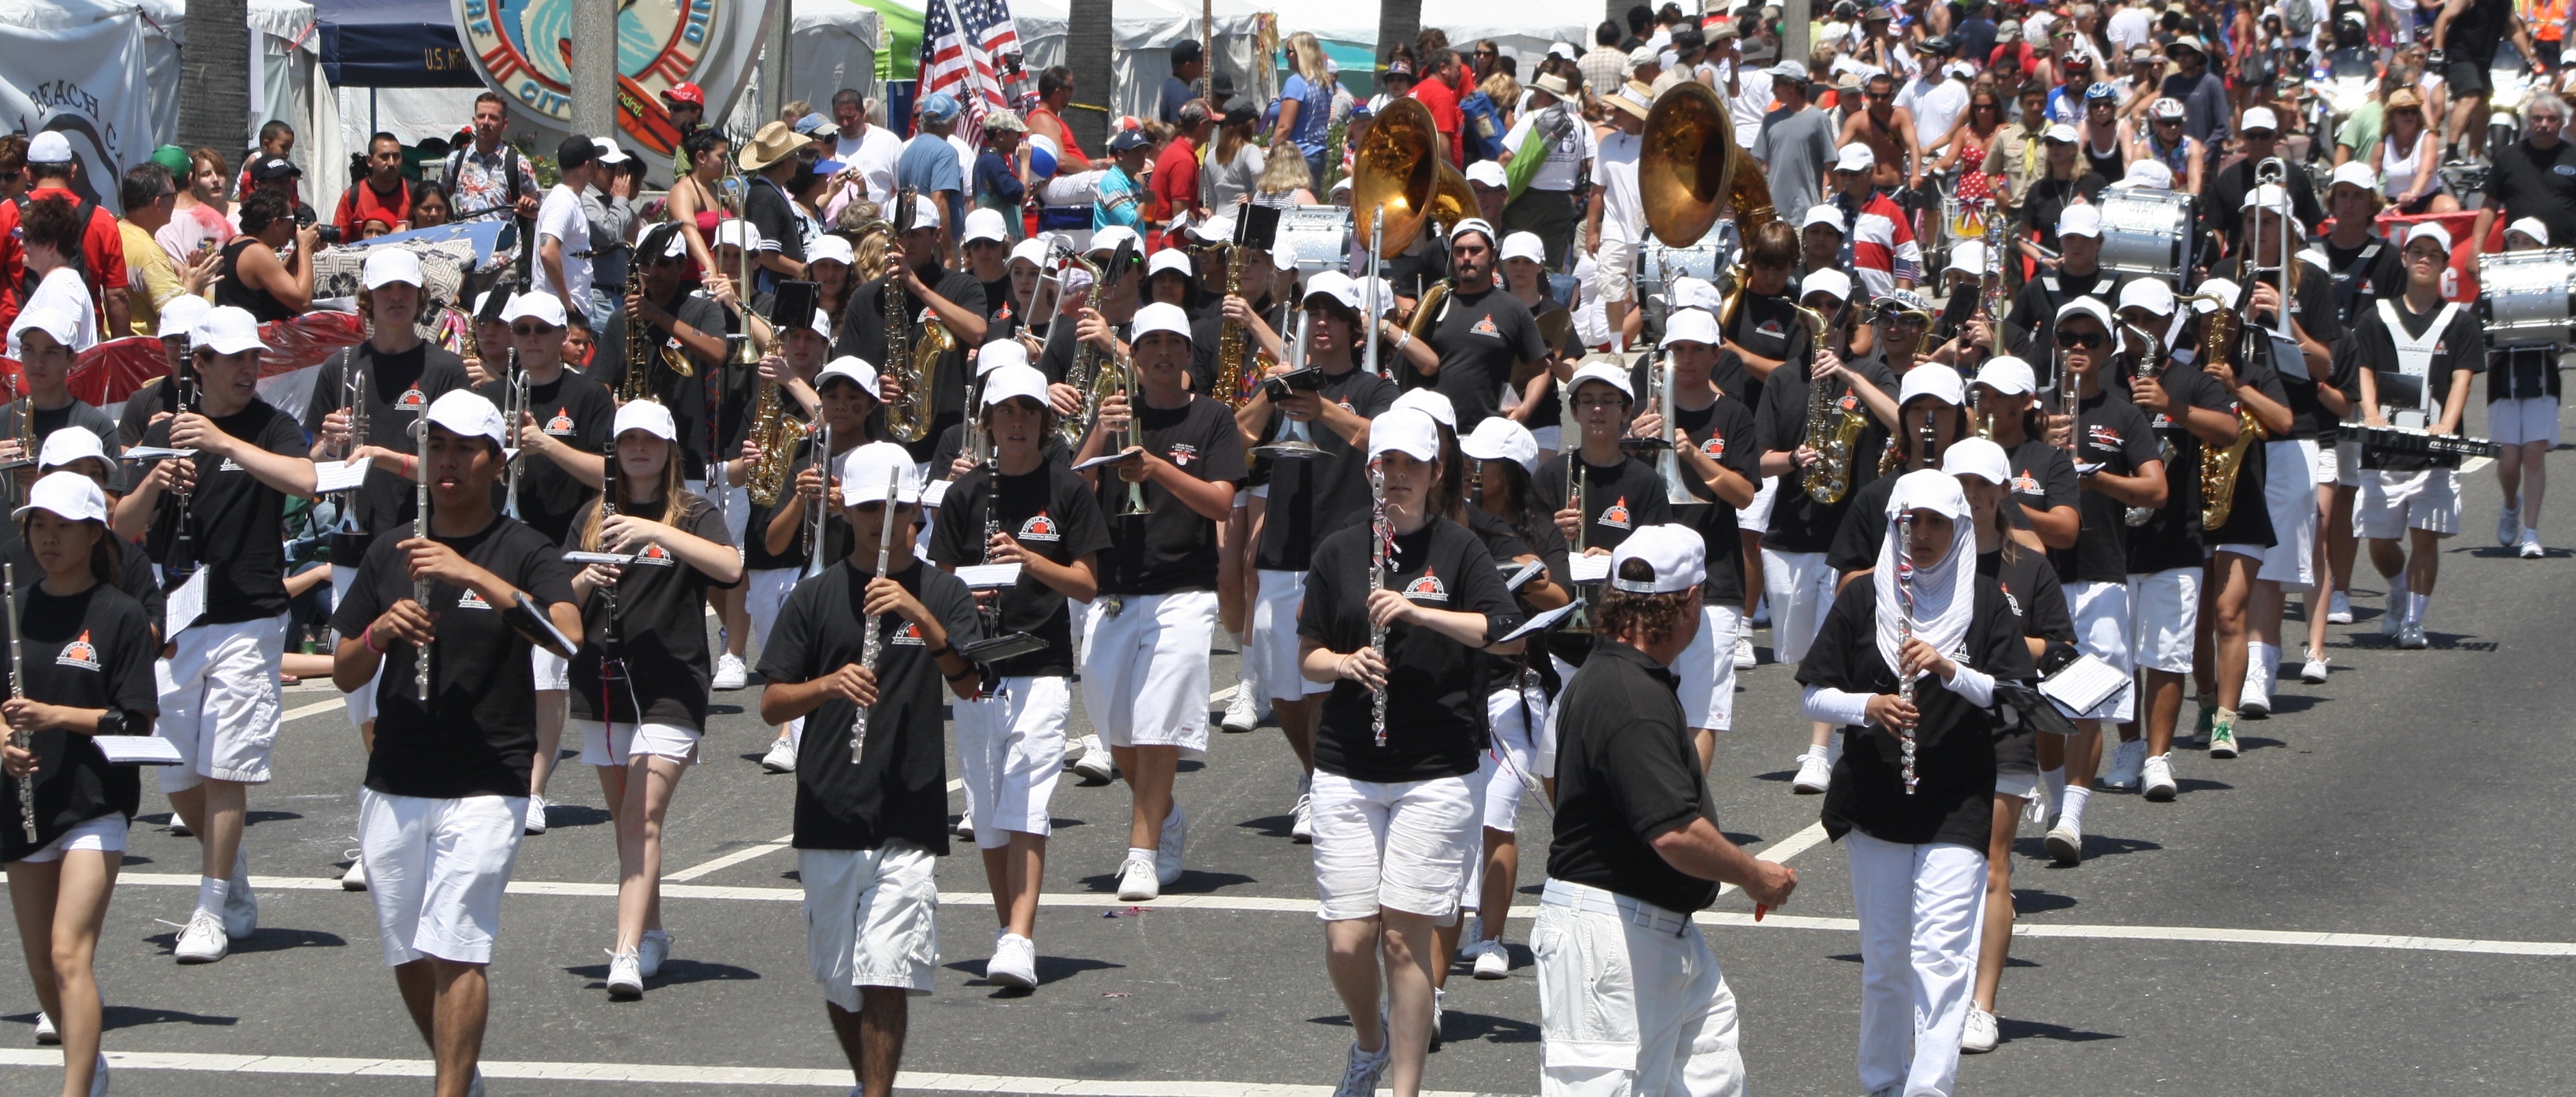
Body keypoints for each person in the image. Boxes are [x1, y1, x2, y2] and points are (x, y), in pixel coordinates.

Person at [331, 389, 581, 1097]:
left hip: (487, 775)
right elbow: (345, 665)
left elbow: (567, 635)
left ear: (495, 462)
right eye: (434, 446)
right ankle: (461, 1075)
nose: (446, 461)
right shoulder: (390, 548)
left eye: (462, 447)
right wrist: (380, 631)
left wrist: (474, 576)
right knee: (408, 951)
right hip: (397, 774)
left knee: (457, 945)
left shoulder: (525, 548)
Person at [1293, 406, 1522, 1097]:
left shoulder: (1459, 549)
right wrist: (1344, 662)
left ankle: (1404, 1087)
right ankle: (1368, 1043)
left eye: (1406, 466)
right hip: (1347, 762)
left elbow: (1505, 633)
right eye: (1383, 464)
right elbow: (1305, 655)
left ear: (1433, 472)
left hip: (1434, 768)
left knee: (1404, 936)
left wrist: (1419, 610)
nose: (1393, 477)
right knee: (1347, 939)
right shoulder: (1340, 550)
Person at [1538, 522, 1798, 1096]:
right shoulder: (1631, 698)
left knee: (1713, 1077)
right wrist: (1755, 875)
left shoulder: (1621, 679)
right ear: (1689, 603)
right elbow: (1674, 833)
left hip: (1658, 932)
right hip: (1611, 938)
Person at [756, 440, 982, 1097]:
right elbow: (771, 704)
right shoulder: (816, 595)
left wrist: (921, 618)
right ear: (846, 514)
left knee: (888, 970)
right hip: (829, 805)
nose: (881, 526)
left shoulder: (943, 591)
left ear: (916, 512)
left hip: (906, 809)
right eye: (866, 512)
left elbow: (971, 684)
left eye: (896, 511)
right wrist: (827, 687)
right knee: (840, 978)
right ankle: (866, 1084)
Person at [1800, 468, 2035, 1097]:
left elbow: (2015, 694)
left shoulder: (1985, 602)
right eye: (1912, 523)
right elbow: (1814, 696)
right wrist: (1868, 707)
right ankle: (1882, 1082)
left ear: (1960, 529)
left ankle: (1928, 1089)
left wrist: (1952, 669)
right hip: (1876, 800)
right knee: (1884, 965)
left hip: (1956, 802)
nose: (1922, 535)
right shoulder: (1860, 598)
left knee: (1940, 960)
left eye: (1936, 523)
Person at [110, 305, 317, 964]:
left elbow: (307, 481)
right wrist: (155, 477)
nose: (248, 370)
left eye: (254, 358)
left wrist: (226, 445)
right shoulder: (167, 427)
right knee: (173, 770)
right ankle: (232, 875)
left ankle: (209, 905)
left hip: (251, 614)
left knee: (226, 765)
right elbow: (121, 525)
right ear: (198, 364)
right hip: (179, 616)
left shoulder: (272, 426)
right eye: (233, 360)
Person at [925, 360, 1107, 988]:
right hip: (978, 666)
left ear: (1045, 419)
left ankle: (1021, 935)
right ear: (989, 422)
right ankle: (1011, 931)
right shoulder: (966, 493)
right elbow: (935, 579)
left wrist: (1031, 561)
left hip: (1043, 663)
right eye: (1006, 412)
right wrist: (960, 600)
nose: (1018, 422)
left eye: (1029, 411)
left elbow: (1087, 583)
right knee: (987, 805)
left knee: (1028, 799)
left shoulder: (1068, 489)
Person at [562, 398, 741, 997]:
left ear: (667, 449)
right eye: (628, 440)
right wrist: (588, 578)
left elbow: (730, 567)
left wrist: (657, 532)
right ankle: (655, 928)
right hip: (602, 683)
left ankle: (626, 952)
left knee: (641, 817)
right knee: (627, 825)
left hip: (672, 685)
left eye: (650, 440)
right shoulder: (592, 515)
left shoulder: (693, 512)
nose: (639, 449)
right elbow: (557, 607)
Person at [1072, 302, 1245, 901]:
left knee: (1157, 723)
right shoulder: (1117, 413)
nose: (1164, 354)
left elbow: (1222, 503)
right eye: (1152, 345)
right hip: (1116, 589)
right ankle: (1165, 815)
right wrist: (1100, 430)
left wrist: (1156, 470)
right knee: (1111, 721)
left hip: (1184, 591)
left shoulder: (1213, 419)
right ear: (1135, 357)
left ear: (1187, 355)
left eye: (1174, 344)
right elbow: (1073, 493)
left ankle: (1141, 852)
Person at [0, 471, 160, 1097]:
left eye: (62, 527)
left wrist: (54, 717)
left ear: (96, 533)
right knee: (42, 967)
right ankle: (89, 1067)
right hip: (23, 803)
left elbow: (136, 720)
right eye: (38, 525)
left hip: (95, 804)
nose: (47, 538)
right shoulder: (12, 605)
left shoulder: (119, 615)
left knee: (70, 953)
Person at [1236, 272, 1399, 841]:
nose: (1322, 324)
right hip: (1283, 546)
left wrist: (1319, 408)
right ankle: (1314, 775)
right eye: (1314, 314)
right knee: (1283, 688)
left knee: (1328, 682)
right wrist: (1269, 393)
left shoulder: (1374, 385)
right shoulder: (1280, 381)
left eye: (1333, 314)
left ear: (1356, 328)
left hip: (1344, 544)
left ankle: (1327, 782)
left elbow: (1380, 437)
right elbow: (1235, 441)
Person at [305, 249, 475, 752]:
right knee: (360, 675)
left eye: (406, 290)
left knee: (429, 661)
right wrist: (330, 442)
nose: (397, 299)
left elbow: (463, 467)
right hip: (357, 541)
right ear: (368, 301)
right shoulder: (339, 367)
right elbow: (312, 467)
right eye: (386, 291)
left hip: (426, 539)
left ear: (421, 298)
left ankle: (426, 764)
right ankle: (383, 769)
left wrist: (385, 458)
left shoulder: (444, 369)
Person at [1935, 437, 2070, 1055]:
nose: (1973, 494)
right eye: (1961, 482)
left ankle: (1983, 1005)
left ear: (2002, 492)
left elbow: (2059, 646)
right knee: (1933, 867)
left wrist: (1995, 653)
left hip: (2005, 729)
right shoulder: (1923, 558)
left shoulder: (2029, 565)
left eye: (1984, 484)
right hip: (1934, 726)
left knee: (1992, 867)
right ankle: (1938, 994)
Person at [2040, 298, 2166, 860]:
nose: (2079, 348)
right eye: (2069, 337)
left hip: (2099, 570)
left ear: (2109, 348)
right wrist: (2044, 451)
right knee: (2041, 703)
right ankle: (2050, 795)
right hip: (2040, 573)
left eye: (2091, 339)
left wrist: (2099, 484)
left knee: (2087, 701)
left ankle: (2073, 816)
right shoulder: (2036, 410)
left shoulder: (2123, 415)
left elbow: (2155, 489)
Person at [1629, 308, 1763, 767]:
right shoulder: (1645, 414)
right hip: (1650, 580)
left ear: (1714, 355)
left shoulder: (1735, 415)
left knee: (1701, 709)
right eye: (1677, 350)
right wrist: (1632, 440)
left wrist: (1695, 455)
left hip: (1715, 581)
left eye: (1696, 351)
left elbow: (1744, 495)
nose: (1686, 360)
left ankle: (1688, 809)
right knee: (1647, 705)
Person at [2348, 222, 2484, 649]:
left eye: (2434, 254)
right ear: (2405, 258)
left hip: (2434, 451)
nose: (2424, 259)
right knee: (2381, 539)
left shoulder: (2459, 322)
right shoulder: (2376, 318)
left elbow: (2463, 378)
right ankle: (2399, 590)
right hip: (2384, 448)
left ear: (2445, 264)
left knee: (2425, 536)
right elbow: (2365, 369)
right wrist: (2370, 412)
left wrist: (2448, 424)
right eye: (2417, 252)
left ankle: (2413, 620)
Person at [748, 356, 875, 772]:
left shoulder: (880, 460)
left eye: (852, 398)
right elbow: (773, 541)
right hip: (816, 586)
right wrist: (802, 500)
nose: (840, 406)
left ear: (871, 405)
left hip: (865, 588)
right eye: (832, 396)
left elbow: (905, 537)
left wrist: (849, 510)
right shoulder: (805, 459)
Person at [837, 202, 988, 464]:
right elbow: (844, 370)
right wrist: (873, 387)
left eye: (915, 234)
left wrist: (918, 288)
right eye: (898, 235)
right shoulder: (864, 298)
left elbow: (976, 331)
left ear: (937, 236)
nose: (905, 243)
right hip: (880, 443)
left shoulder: (963, 285)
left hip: (944, 448)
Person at [1416, 221, 1546, 432]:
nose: (1467, 257)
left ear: (1493, 255)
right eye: (1459, 251)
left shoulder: (1514, 309)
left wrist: (1525, 410)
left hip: (1489, 434)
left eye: (1475, 250)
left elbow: (1540, 369)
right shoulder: (1434, 306)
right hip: (1436, 430)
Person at [1, 133, 130, 338]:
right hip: (81, 351)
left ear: (27, 173)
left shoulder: (6, 213)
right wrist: (121, 355)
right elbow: (117, 295)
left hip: (16, 351)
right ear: (73, 172)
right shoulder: (103, 219)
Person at [2488, 217, 2558, 558]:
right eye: (2513, 241)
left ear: (2541, 249)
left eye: (2526, 242)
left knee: (2533, 452)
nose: (2518, 248)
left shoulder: (2557, 282)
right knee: (2509, 458)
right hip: (2504, 375)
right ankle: (2510, 503)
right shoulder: (2495, 279)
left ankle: (2530, 532)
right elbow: (2479, 322)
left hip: (2542, 373)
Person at [1496, 74, 1596, 267]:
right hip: (1564, 201)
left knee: (1517, 252)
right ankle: (1548, 292)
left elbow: (1507, 157)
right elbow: (1589, 164)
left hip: (1528, 199)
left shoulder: (1531, 119)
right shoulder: (1581, 125)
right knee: (1551, 260)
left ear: (1543, 95)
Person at [2471, 93, 2576, 256]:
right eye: (2538, 118)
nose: (2544, 124)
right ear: (2528, 120)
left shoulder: (2574, 156)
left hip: (2567, 255)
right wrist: (2475, 250)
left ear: (2563, 122)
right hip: (2517, 256)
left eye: (2552, 119)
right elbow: (2489, 207)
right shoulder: (2507, 156)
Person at [116, 163, 211, 339]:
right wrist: (193, 284)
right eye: (174, 196)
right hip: (146, 357)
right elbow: (179, 318)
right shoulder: (148, 253)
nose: (176, 202)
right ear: (159, 203)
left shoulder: (118, 231)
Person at [7, 198, 98, 360]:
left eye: (28, 238)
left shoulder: (62, 287)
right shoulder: (58, 283)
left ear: (50, 246)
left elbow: (60, 355)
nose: (20, 243)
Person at [213, 189, 317, 323]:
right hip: (258, 338)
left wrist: (298, 252)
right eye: (291, 220)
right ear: (277, 223)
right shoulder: (256, 253)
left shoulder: (236, 243)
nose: (293, 227)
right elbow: (303, 302)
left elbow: (277, 279)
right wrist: (305, 249)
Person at [441, 93, 542, 225]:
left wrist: (529, 202)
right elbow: (437, 199)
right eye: (481, 116)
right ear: (474, 120)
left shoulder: (517, 164)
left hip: (503, 244)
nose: (486, 122)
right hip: (465, 243)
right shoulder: (455, 161)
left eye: (493, 117)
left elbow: (538, 203)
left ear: (504, 124)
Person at [532, 135, 599, 326]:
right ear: (588, 165)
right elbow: (547, 250)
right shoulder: (563, 203)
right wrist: (567, 301)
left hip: (566, 309)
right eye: (596, 160)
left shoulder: (570, 199)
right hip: (560, 312)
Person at [336, 133, 416, 239]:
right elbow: (339, 243)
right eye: (384, 157)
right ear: (369, 161)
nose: (392, 163)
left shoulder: (415, 194)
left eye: (396, 156)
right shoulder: (352, 196)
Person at [1093, 128, 1153, 231]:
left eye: (1144, 153)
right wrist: (1145, 201)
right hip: (1113, 247)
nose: (1142, 158)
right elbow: (1129, 223)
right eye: (1136, 153)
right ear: (1120, 155)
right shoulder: (1112, 183)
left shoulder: (1132, 182)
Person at [1162, 40, 1206, 124]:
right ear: (1188, 66)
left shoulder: (1176, 85)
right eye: (1201, 61)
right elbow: (1180, 131)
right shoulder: (1180, 96)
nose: (1205, 64)